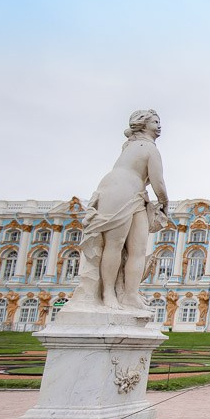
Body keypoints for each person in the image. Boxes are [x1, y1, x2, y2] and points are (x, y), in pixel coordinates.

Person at [68, 110, 168, 313]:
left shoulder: (134, 147)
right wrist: (164, 202)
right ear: (143, 125)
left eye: (159, 122)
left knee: (138, 249)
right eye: (155, 122)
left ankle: (130, 294)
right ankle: (108, 293)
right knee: (114, 244)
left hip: (137, 194)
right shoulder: (147, 148)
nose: (159, 126)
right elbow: (158, 181)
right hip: (119, 189)